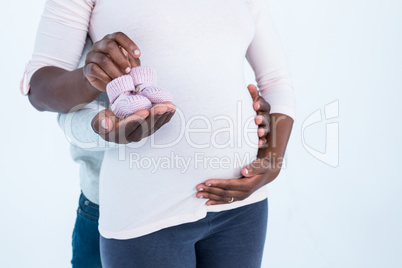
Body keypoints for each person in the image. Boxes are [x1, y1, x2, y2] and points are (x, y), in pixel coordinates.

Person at [23, 0, 295, 267]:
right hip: (143, 210)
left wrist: (272, 161)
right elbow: (39, 87)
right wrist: (88, 77)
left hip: (242, 204)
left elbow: (275, 80)